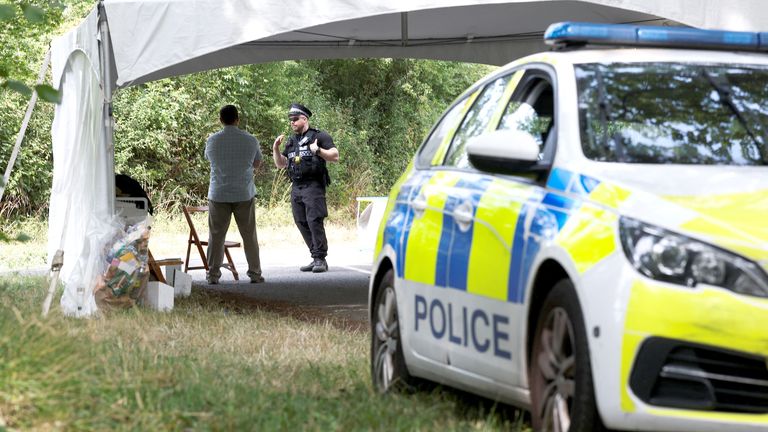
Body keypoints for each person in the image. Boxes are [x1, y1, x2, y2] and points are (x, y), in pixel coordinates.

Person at [272, 103, 339, 273]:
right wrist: (276, 149)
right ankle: (315, 256)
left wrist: (318, 151)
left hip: (314, 185)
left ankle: (320, 259)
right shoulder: (292, 141)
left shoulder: (319, 136)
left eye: (295, 119)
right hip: (297, 186)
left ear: (304, 119)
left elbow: (335, 156)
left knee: (314, 220)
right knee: (301, 221)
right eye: (290, 120)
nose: (292, 123)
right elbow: (281, 164)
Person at [204, 104, 264, 284]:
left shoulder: (212, 140)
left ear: (220, 120)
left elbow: (209, 159)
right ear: (237, 119)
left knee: (216, 235)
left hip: (219, 193)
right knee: (249, 235)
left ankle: (213, 275)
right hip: (243, 193)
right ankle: (255, 273)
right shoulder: (250, 140)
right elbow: (257, 163)